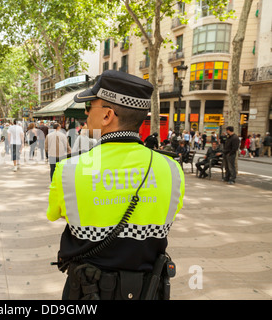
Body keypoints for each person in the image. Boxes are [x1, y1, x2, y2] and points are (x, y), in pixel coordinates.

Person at [47, 70, 185, 300]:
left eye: (89, 107)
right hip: (149, 291)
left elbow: (56, 214)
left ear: (107, 115)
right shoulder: (172, 169)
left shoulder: (68, 170)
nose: (86, 113)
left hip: (87, 293)